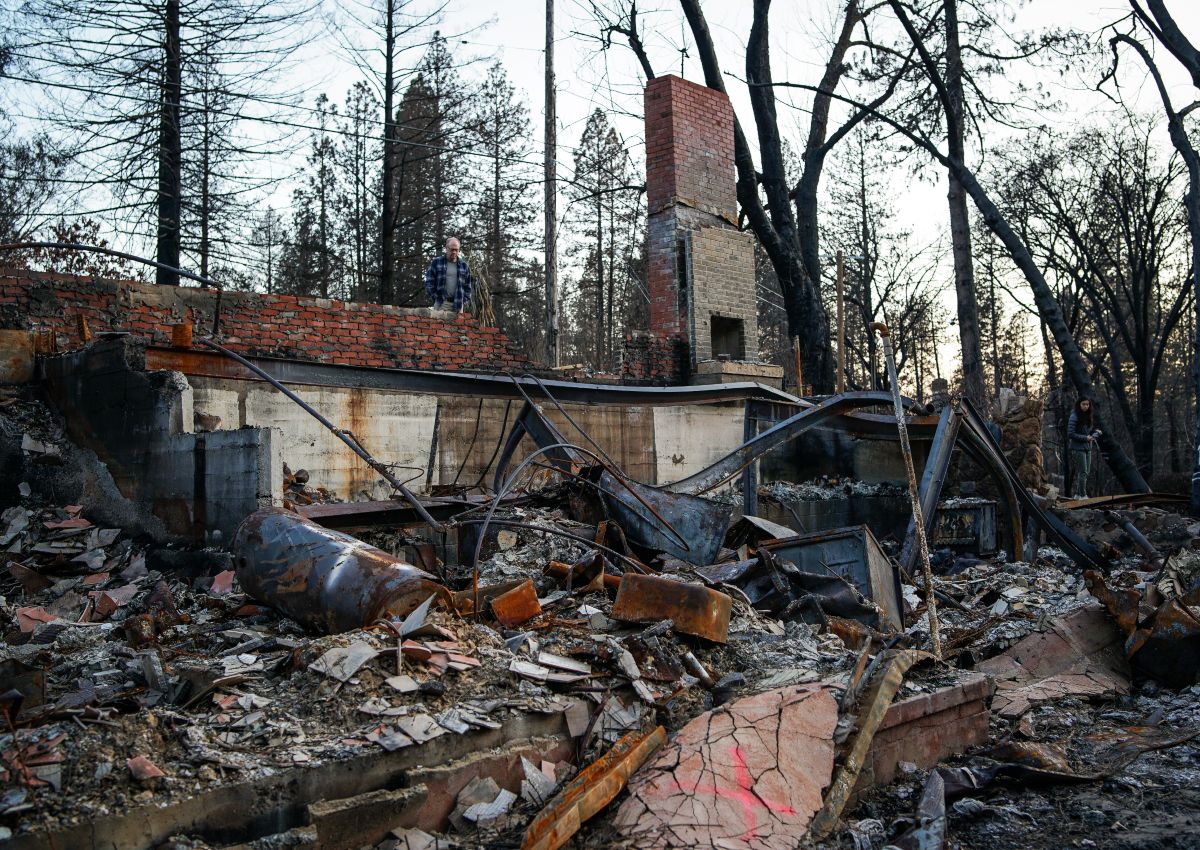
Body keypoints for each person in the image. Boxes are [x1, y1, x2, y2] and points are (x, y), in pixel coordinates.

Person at [424, 236, 473, 312]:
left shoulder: (464, 266)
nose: (454, 252)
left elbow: (468, 287)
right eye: (452, 249)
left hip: (458, 305)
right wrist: (436, 297)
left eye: (456, 250)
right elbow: (429, 282)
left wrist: (463, 300)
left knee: (458, 324)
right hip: (441, 303)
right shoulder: (436, 262)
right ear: (446, 248)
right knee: (437, 324)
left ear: (459, 250)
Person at [1067, 398, 1102, 498]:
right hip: (1077, 448)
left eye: (1087, 404)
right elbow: (1070, 434)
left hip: (1087, 448)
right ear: (1079, 405)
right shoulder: (1074, 416)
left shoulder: (1088, 416)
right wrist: (1085, 438)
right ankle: (1083, 495)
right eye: (1083, 404)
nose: (1086, 406)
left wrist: (1096, 432)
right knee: (1082, 472)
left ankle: (1078, 494)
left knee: (1086, 473)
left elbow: (1088, 432)